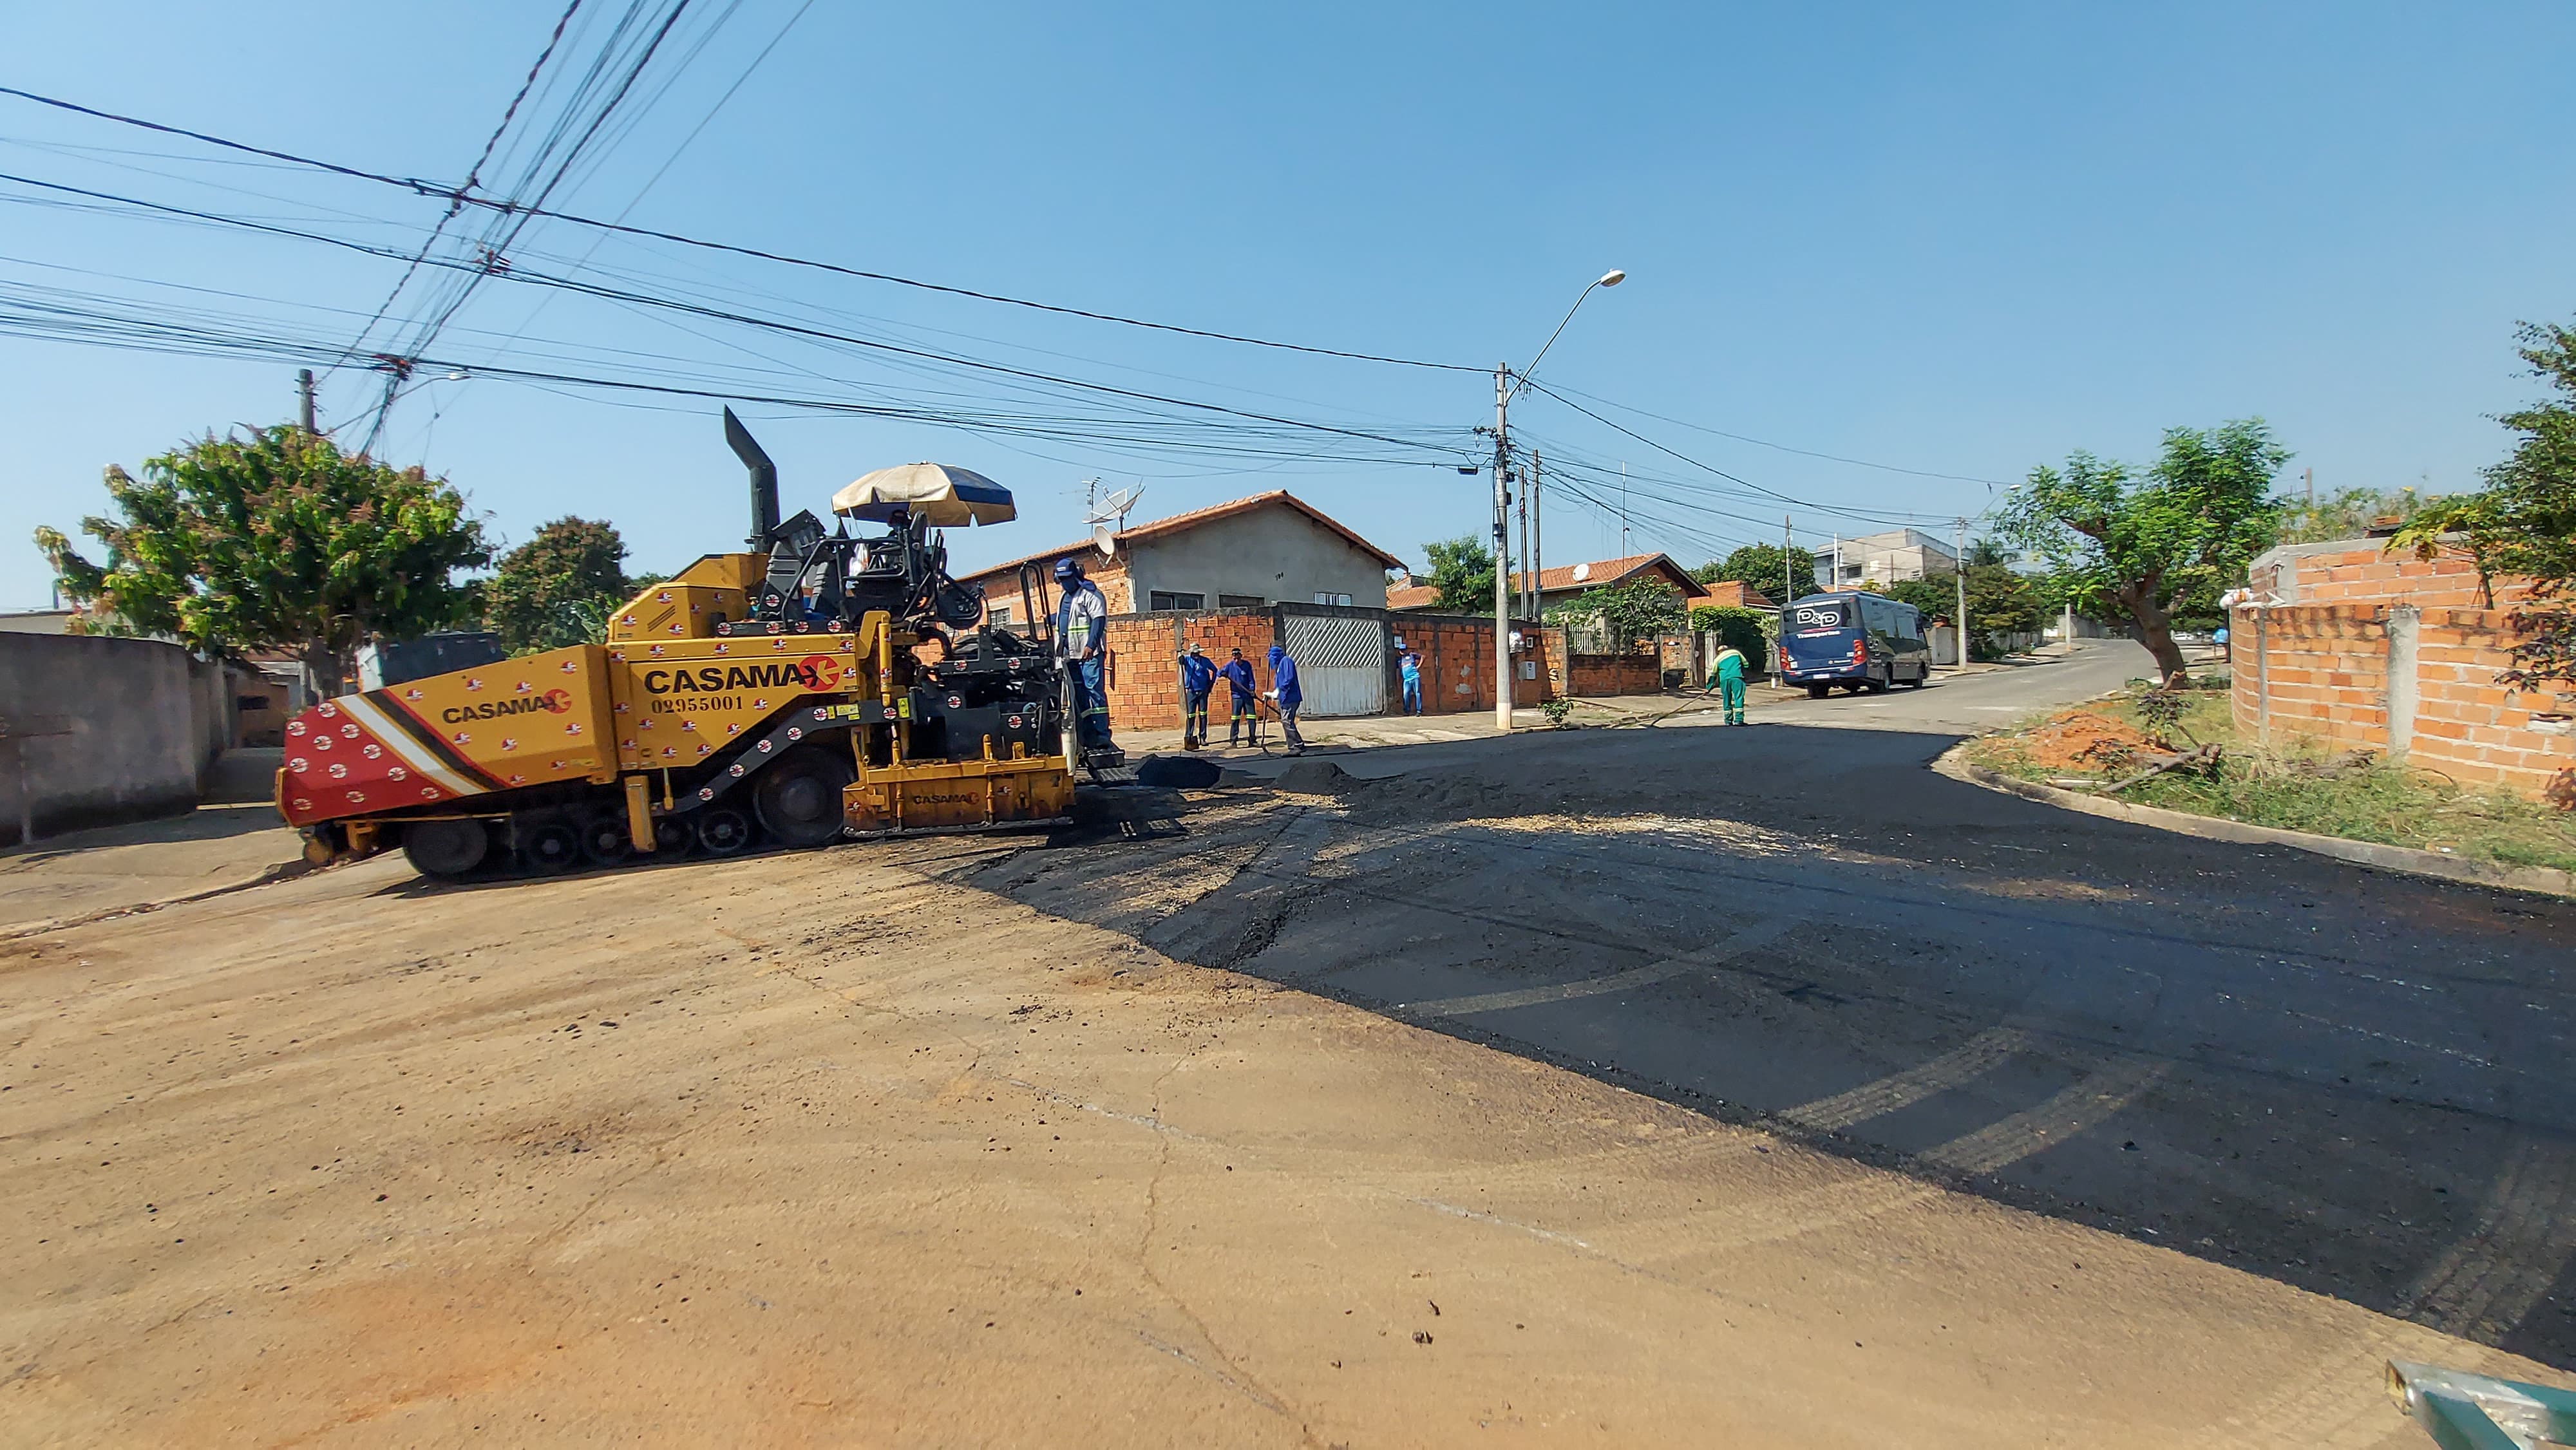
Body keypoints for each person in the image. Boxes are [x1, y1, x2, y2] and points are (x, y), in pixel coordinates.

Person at [1054, 558, 1112, 751]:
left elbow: (1098, 619)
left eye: (1067, 578)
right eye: (1061, 579)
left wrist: (1091, 645)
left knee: (1094, 691)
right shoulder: (1064, 597)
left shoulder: (1091, 594)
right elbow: (1064, 620)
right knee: (1078, 695)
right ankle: (1087, 734)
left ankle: (1102, 734)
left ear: (1076, 575)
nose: (1064, 583)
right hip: (1070, 656)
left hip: (1089, 655)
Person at [1265, 643, 1305, 753]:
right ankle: (1296, 744)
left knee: (1287, 721)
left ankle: (1296, 746)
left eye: (1271, 658)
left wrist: (1279, 690)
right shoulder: (1278, 669)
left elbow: (1289, 678)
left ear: (1276, 656)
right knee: (1287, 722)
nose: (1270, 661)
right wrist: (1272, 695)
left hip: (1291, 698)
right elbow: (1280, 686)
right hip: (1285, 699)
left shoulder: (1286, 661)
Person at [1178, 641, 1216, 749]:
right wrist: (1180, 658)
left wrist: (1211, 684)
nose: (1195, 655)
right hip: (1191, 691)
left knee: (1203, 714)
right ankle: (1188, 735)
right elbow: (1181, 660)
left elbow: (1215, 670)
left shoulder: (1205, 661)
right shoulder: (1187, 659)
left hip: (1203, 691)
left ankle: (1203, 737)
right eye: (1193, 653)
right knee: (1191, 715)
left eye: (1197, 653)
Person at [1220, 646, 1259, 746]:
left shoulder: (1247, 665)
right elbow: (1219, 673)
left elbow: (1251, 679)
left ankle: (1252, 740)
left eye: (1238, 658)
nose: (1237, 661)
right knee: (1235, 719)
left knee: (1251, 718)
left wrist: (1252, 690)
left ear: (1241, 656)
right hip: (1236, 696)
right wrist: (1223, 673)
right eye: (1235, 659)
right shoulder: (1230, 665)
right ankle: (1233, 741)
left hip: (1247, 695)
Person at [1712, 641, 1748, 726]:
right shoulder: (1736, 653)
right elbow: (1746, 664)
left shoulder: (1717, 659)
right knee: (1738, 698)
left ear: (1719, 652)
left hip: (1725, 680)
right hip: (1737, 678)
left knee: (1727, 698)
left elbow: (1713, 674)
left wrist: (1708, 688)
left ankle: (1728, 721)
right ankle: (1739, 720)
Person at [1399, 650, 1423, 715]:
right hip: (1406, 680)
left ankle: (1419, 711)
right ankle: (1407, 711)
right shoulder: (1400, 660)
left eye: (1404, 650)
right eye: (1402, 651)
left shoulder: (1412, 655)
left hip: (1415, 677)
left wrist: (1418, 667)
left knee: (1417, 693)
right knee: (1406, 694)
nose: (1403, 652)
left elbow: (1422, 657)